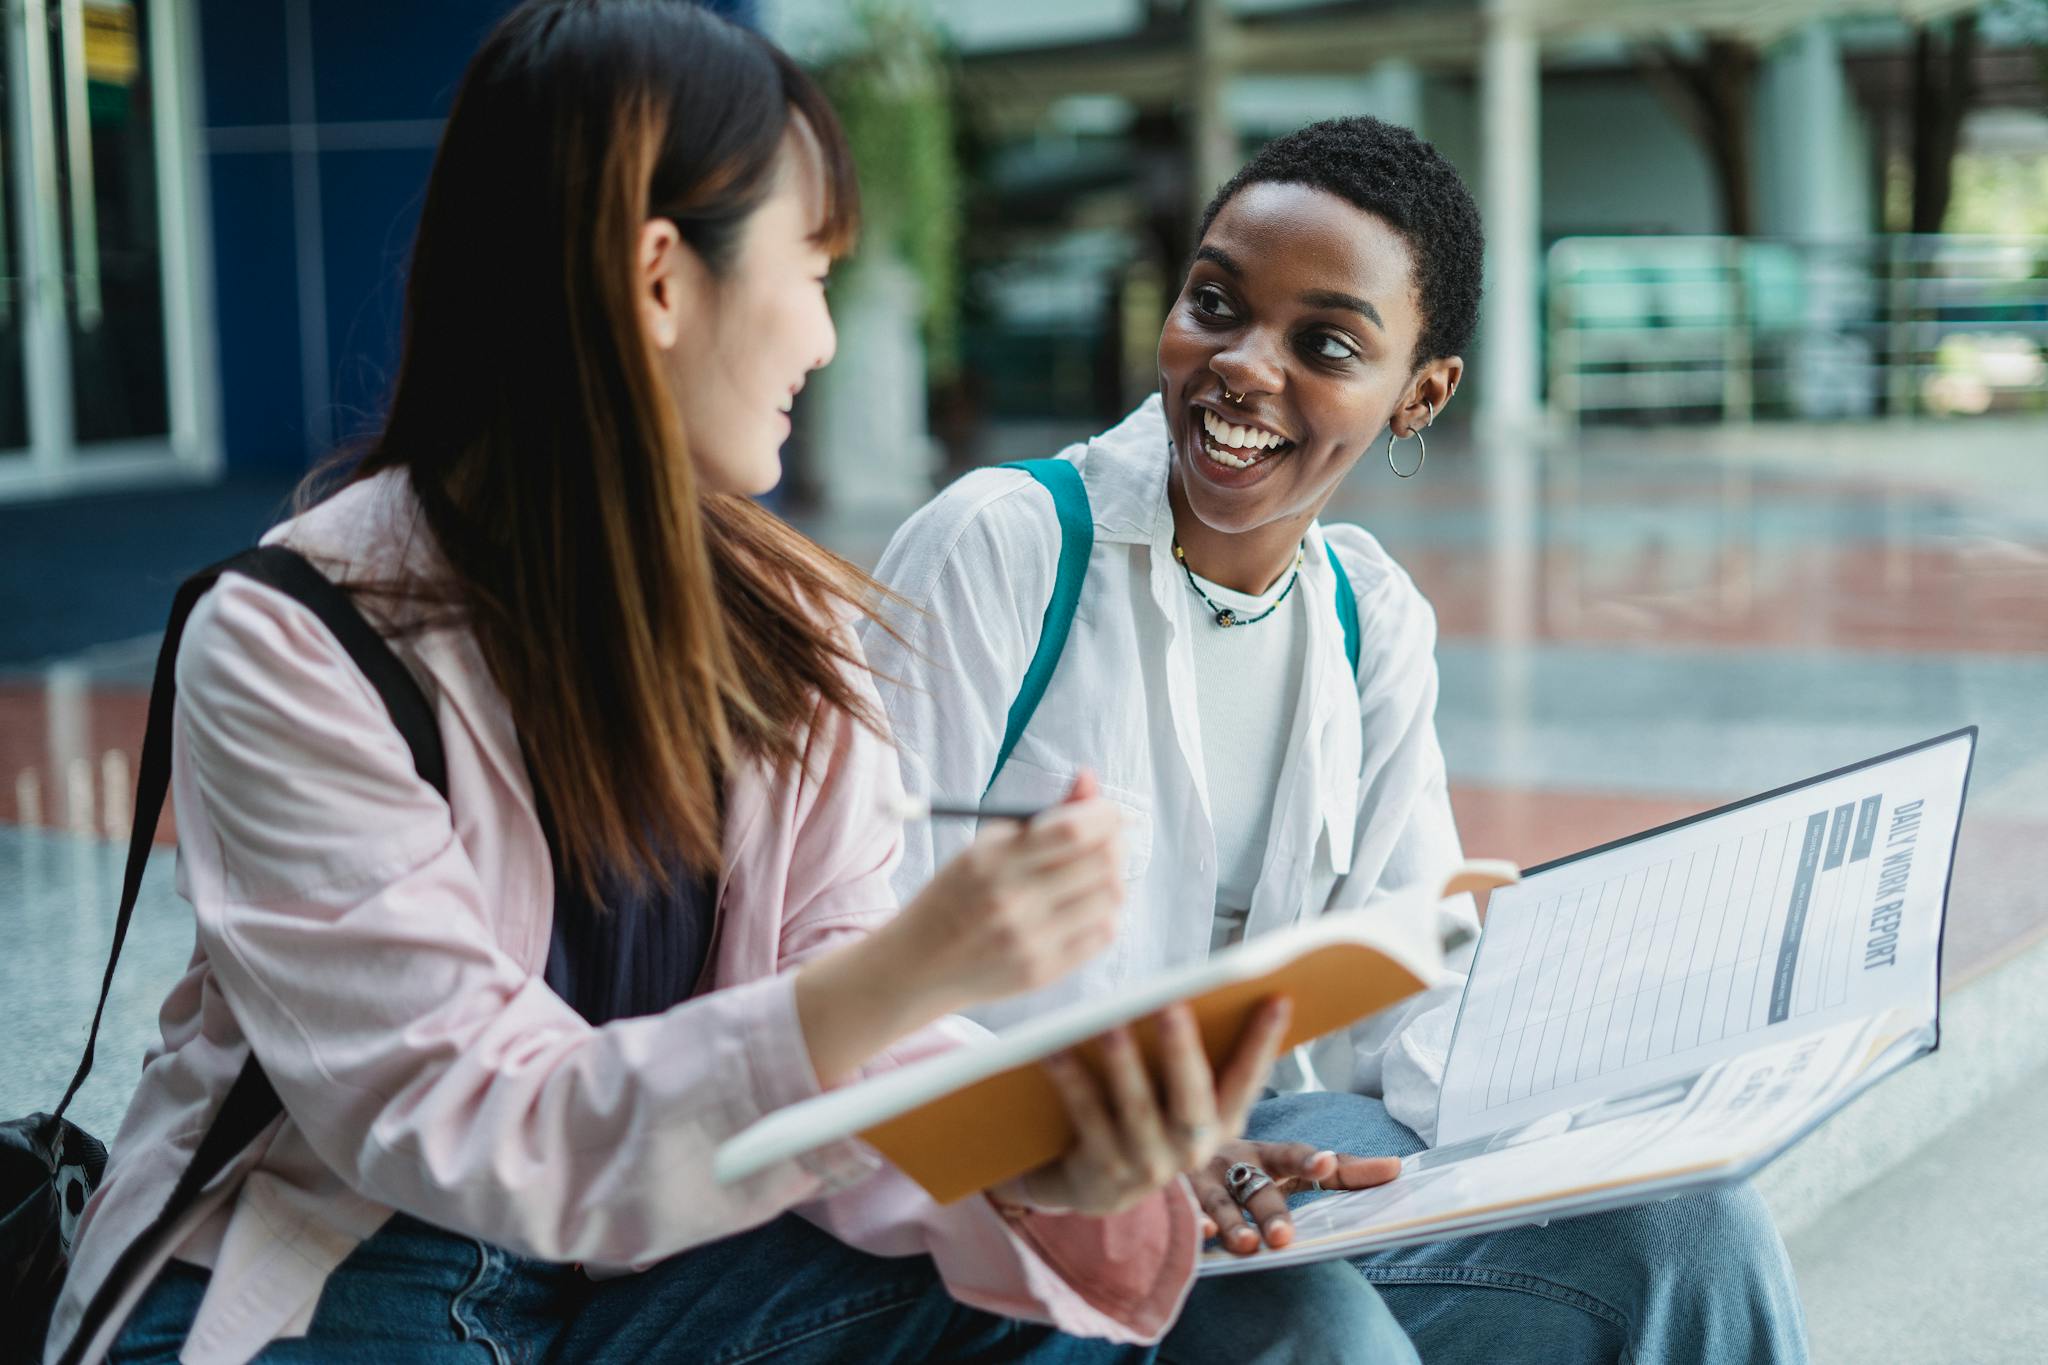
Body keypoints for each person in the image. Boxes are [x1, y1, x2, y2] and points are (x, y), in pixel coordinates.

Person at [46, 5, 1394, 1362]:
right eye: (811, 271)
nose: (822, 337)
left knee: (1221, 1321)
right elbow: (470, 1121)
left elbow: (845, 1061)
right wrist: (913, 970)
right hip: (344, 1274)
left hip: (654, 1268)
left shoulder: (792, 621)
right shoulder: (292, 641)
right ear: (659, 277)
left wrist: (1052, 1154)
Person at [862, 115, 1810, 1363]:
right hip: (996, 1191)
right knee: (1319, 1339)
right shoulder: (1003, 550)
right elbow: (851, 965)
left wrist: (1640, 1079)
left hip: (1242, 1165)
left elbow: (1406, 1005)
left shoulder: (1368, 621)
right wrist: (1112, 1156)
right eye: (1213, 304)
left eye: (1323, 344)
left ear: (1420, 394)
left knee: (1691, 1232)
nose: (1241, 368)